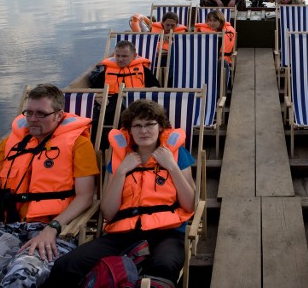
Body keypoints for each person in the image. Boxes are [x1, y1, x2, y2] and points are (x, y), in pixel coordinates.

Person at [0, 84, 98, 287]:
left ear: (59, 115)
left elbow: (85, 197)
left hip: (53, 233)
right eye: (29, 112)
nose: (33, 119)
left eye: (41, 114)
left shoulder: (79, 144)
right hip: (8, 229)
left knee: (22, 275)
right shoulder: (9, 144)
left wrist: (53, 227)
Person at [46, 99, 196, 285]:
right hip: (124, 233)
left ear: (161, 127)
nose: (143, 131)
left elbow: (190, 204)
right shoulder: (119, 160)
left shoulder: (176, 155)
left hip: (167, 233)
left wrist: (172, 167)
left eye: (150, 124)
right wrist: (121, 172)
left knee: (163, 265)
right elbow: (108, 212)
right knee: (66, 264)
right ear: (130, 130)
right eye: (137, 126)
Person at [89, 40, 160, 141]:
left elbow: (156, 88)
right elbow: (92, 91)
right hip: (110, 106)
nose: (120, 59)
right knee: (94, 119)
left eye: (124, 56)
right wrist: (98, 97)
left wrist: (149, 91)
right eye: (117, 56)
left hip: (136, 105)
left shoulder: (143, 71)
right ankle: (104, 145)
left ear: (134, 56)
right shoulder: (106, 72)